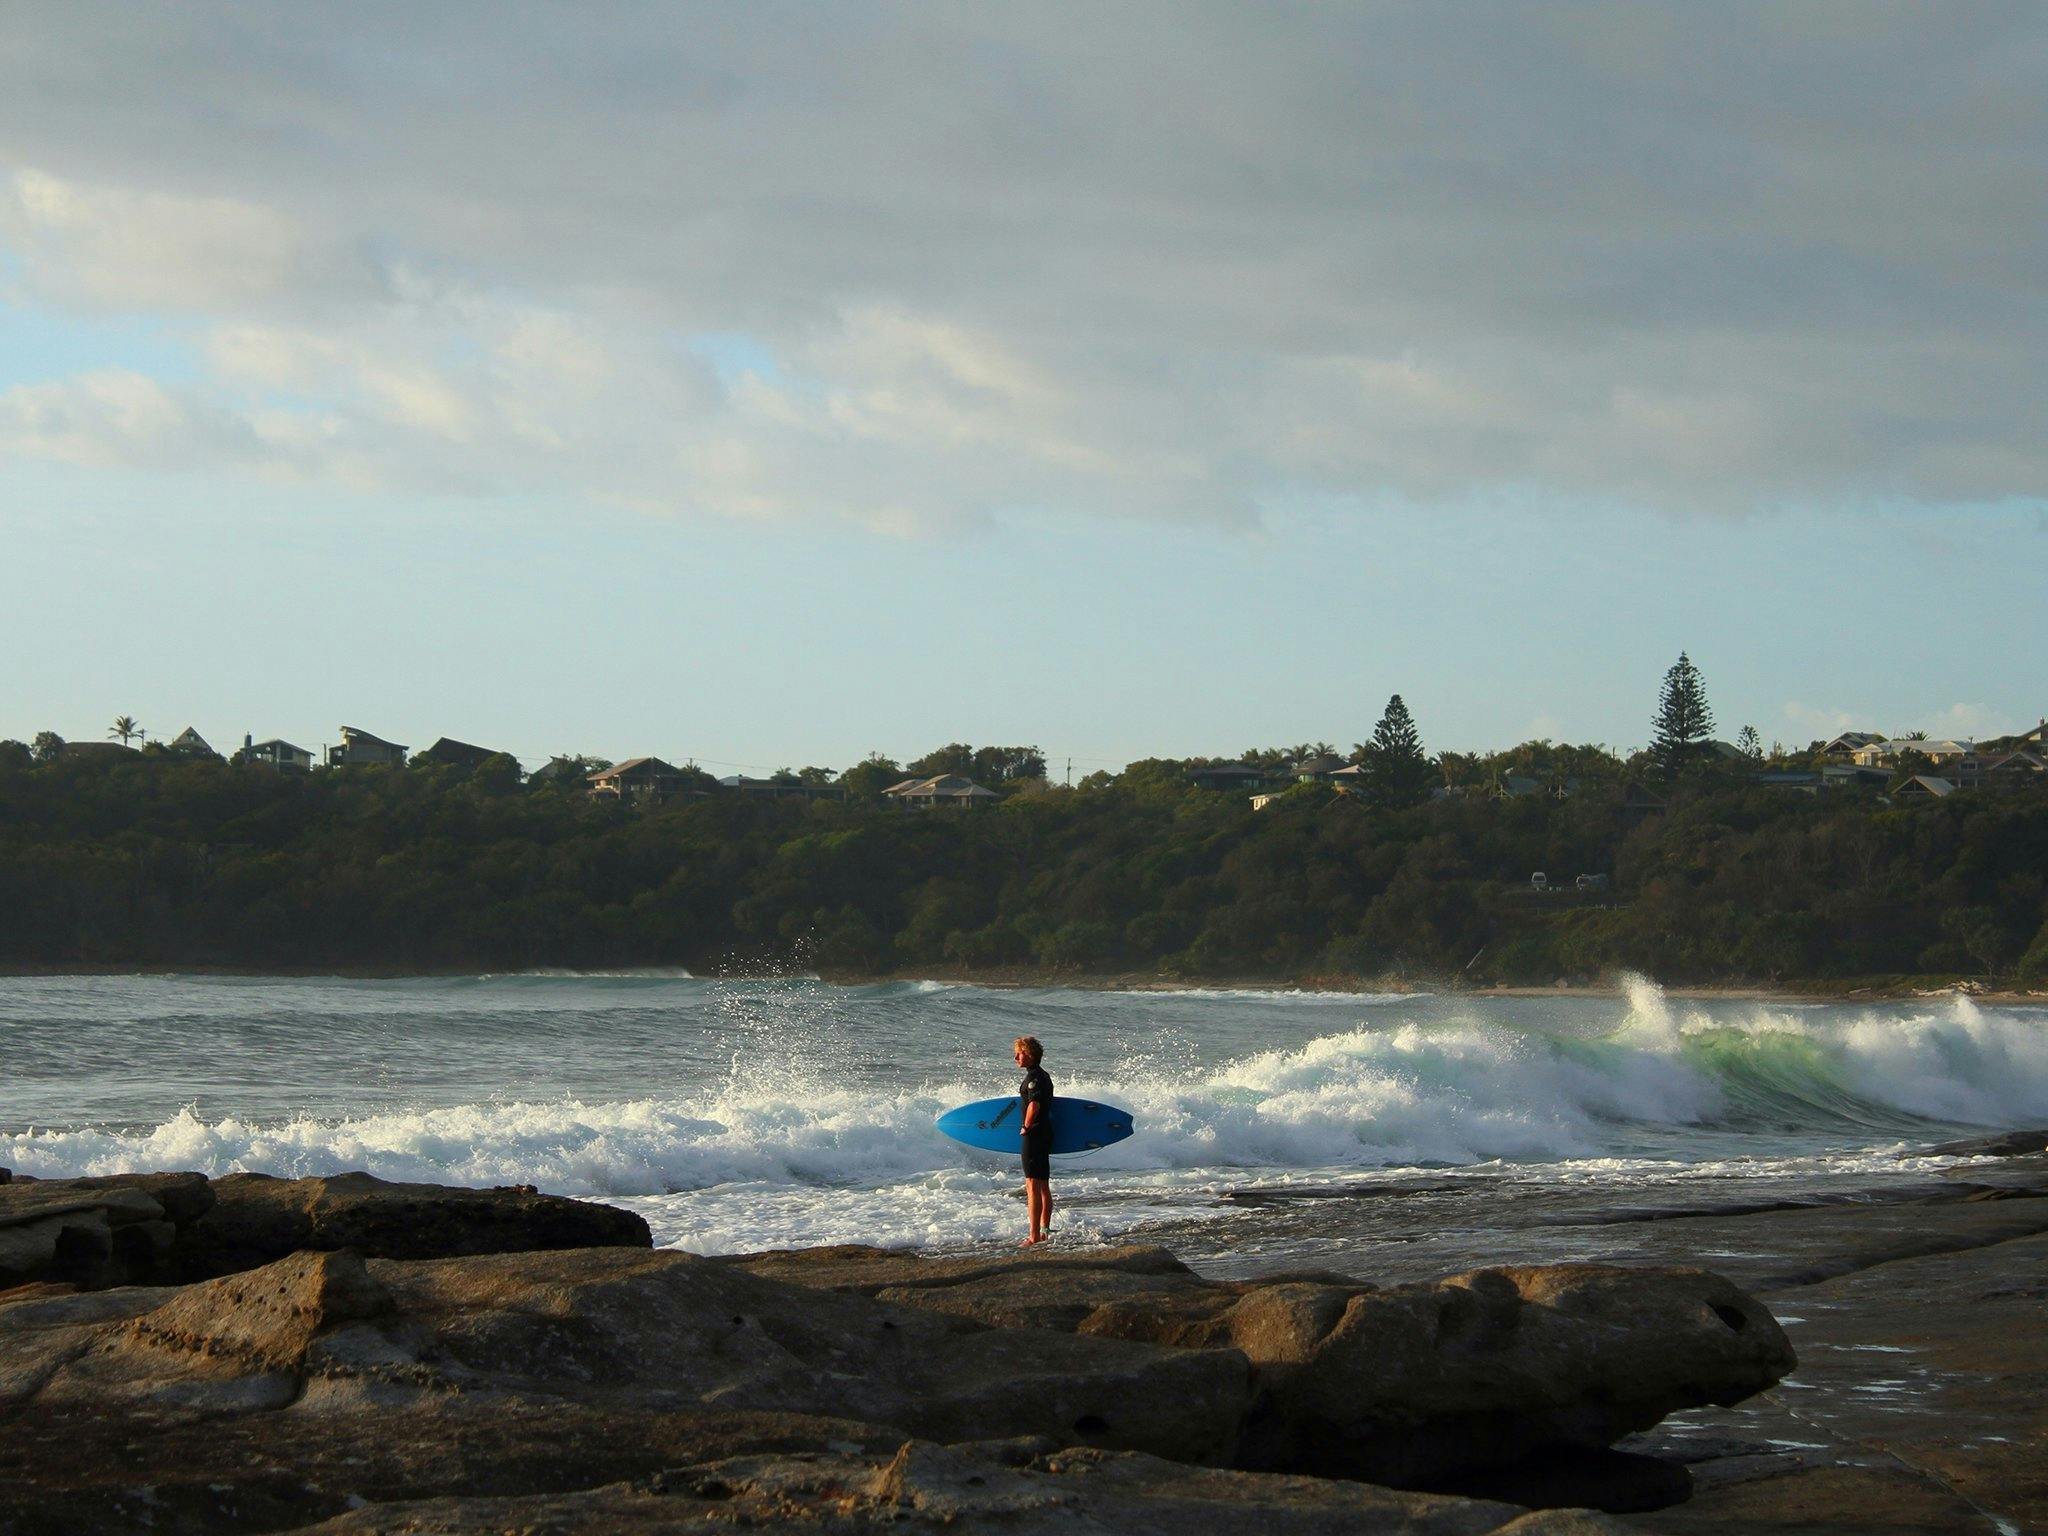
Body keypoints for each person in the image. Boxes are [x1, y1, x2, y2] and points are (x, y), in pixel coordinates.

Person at [1013, 1034, 1054, 1245]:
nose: (1016, 1058)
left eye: (1019, 1053)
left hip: (1034, 1135)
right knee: (1043, 1186)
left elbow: (1034, 1104)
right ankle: (1044, 1230)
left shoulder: (1034, 1078)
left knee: (1032, 1186)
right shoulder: (1043, 1075)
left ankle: (1034, 1236)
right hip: (1045, 1134)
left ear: (1029, 1055)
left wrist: (1026, 1126)